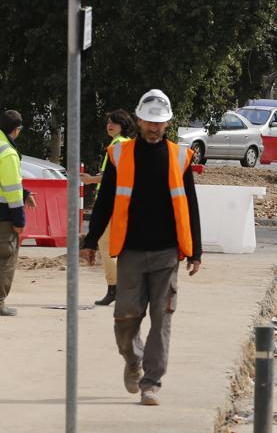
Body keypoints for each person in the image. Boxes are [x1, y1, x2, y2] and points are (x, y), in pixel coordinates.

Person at [81, 90, 202, 406]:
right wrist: (91, 239)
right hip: (131, 251)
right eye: (149, 122)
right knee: (125, 318)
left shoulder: (179, 156)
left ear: (167, 123)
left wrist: (196, 250)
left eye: (159, 123)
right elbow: (105, 200)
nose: (154, 128)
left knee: (162, 318)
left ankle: (151, 382)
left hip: (167, 253)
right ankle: (133, 361)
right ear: (138, 120)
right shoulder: (121, 156)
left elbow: (190, 205)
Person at [79, 110, 138, 306]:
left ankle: (115, 288)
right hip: (115, 202)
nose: (109, 125)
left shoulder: (119, 144)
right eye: (108, 122)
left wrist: (91, 180)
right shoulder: (119, 144)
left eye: (114, 123)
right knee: (112, 247)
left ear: (123, 126)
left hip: (114, 203)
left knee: (106, 246)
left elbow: (115, 176)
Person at [0, 110, 38, 317]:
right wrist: (19, 219)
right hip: (3, 216)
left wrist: (25, 193)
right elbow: (11, 188)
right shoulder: (7, 152)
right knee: (5, 259)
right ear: (16, 130)